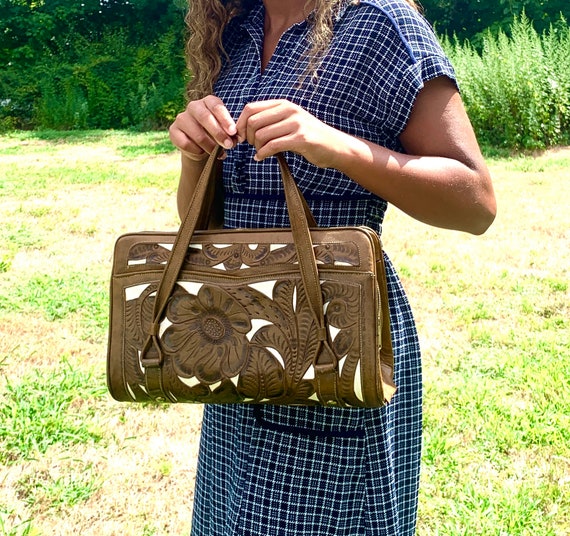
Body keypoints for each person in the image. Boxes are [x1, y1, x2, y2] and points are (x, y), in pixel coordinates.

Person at [169, 0, 497, 534]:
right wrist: (194, 155)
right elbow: (200, 225)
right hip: (236, 351)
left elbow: (477, 202)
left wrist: (338, 146)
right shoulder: (232, 31)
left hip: (337, 346)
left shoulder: (380, 24)